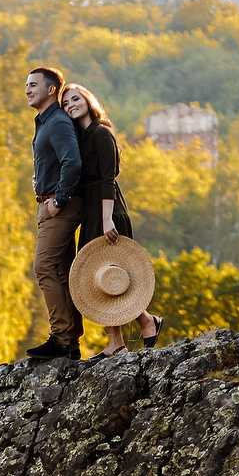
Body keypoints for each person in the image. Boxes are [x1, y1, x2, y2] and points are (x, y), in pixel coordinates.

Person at [62, 82, 163, 356]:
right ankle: (118, 340)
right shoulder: (81, 138)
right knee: (100, 274)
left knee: (114, 271)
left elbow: (108, 179)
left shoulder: (101, 134)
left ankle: (145, 321)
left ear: (88, 100)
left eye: (75, 99)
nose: (71, 105)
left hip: (108, 208)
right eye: (66, 103)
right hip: (92, 209)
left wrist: (107, 220)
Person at [24, 66, 83, 361]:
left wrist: (59, 198)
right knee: (61, 271)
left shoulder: (58, 122)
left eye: (33, 84)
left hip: (60, 207)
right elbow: (57, 162)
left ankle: (60, 338)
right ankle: (71, 345)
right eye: (26, 85)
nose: (27, 89)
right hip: (47, 204)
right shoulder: (46, 123)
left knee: (43, 265)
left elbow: (72, 162)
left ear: (51, 90)